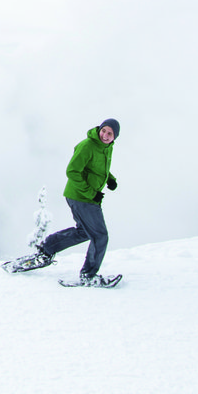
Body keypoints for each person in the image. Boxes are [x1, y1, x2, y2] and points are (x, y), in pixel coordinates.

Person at [18, 119, 121, 284]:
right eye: (104, 131)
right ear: (99, 129)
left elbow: (98, 168)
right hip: (81, 197)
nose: (105, 135)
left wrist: (110, 179)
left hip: (82, 197)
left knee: (84, 232)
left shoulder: (106, 148)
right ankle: (88, 275)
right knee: (100, 236)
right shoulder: (88, 145)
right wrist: (90, 194)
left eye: (110, 134)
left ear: (114, 137)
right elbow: (72, 171)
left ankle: (48, 248)